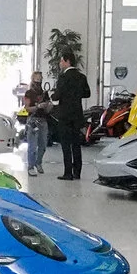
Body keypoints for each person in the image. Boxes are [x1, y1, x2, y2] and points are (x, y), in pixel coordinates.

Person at [49, 51, 90, 180]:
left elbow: (57, 95)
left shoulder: (63, 78)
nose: (60, 63)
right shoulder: (81, 77)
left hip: (65, 115)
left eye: (62, 60)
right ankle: (77, 172)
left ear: (67, 61)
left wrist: (52, 95)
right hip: (77, 114)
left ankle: (68, 173)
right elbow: (87, 93)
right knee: (76, 144)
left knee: (66, 144)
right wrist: (76, 95)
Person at [20, 75, 52, 175]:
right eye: (37, 79)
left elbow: (47, 110)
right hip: (32, 121)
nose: (39, 81)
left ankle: (38, 163)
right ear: (33, 79)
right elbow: (27, 108)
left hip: (43, 120)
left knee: (43, 145)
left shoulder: (44, 93)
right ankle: (31, 166)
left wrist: (49, 106)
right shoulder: (29, 93)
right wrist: (38, 106)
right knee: (32, 146)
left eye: (40, 79)